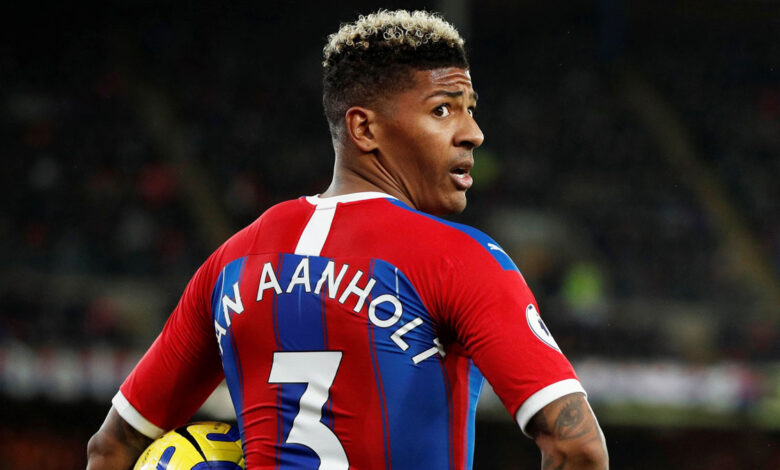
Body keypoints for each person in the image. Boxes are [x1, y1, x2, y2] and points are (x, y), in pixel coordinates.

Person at [87, 9, 608, 470]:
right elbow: (577, 448)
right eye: (443, 109)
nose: (473, 132)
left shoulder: (233, 260)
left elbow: (110, 448)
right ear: (364, 129)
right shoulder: (461, 259)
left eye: (470, 108)